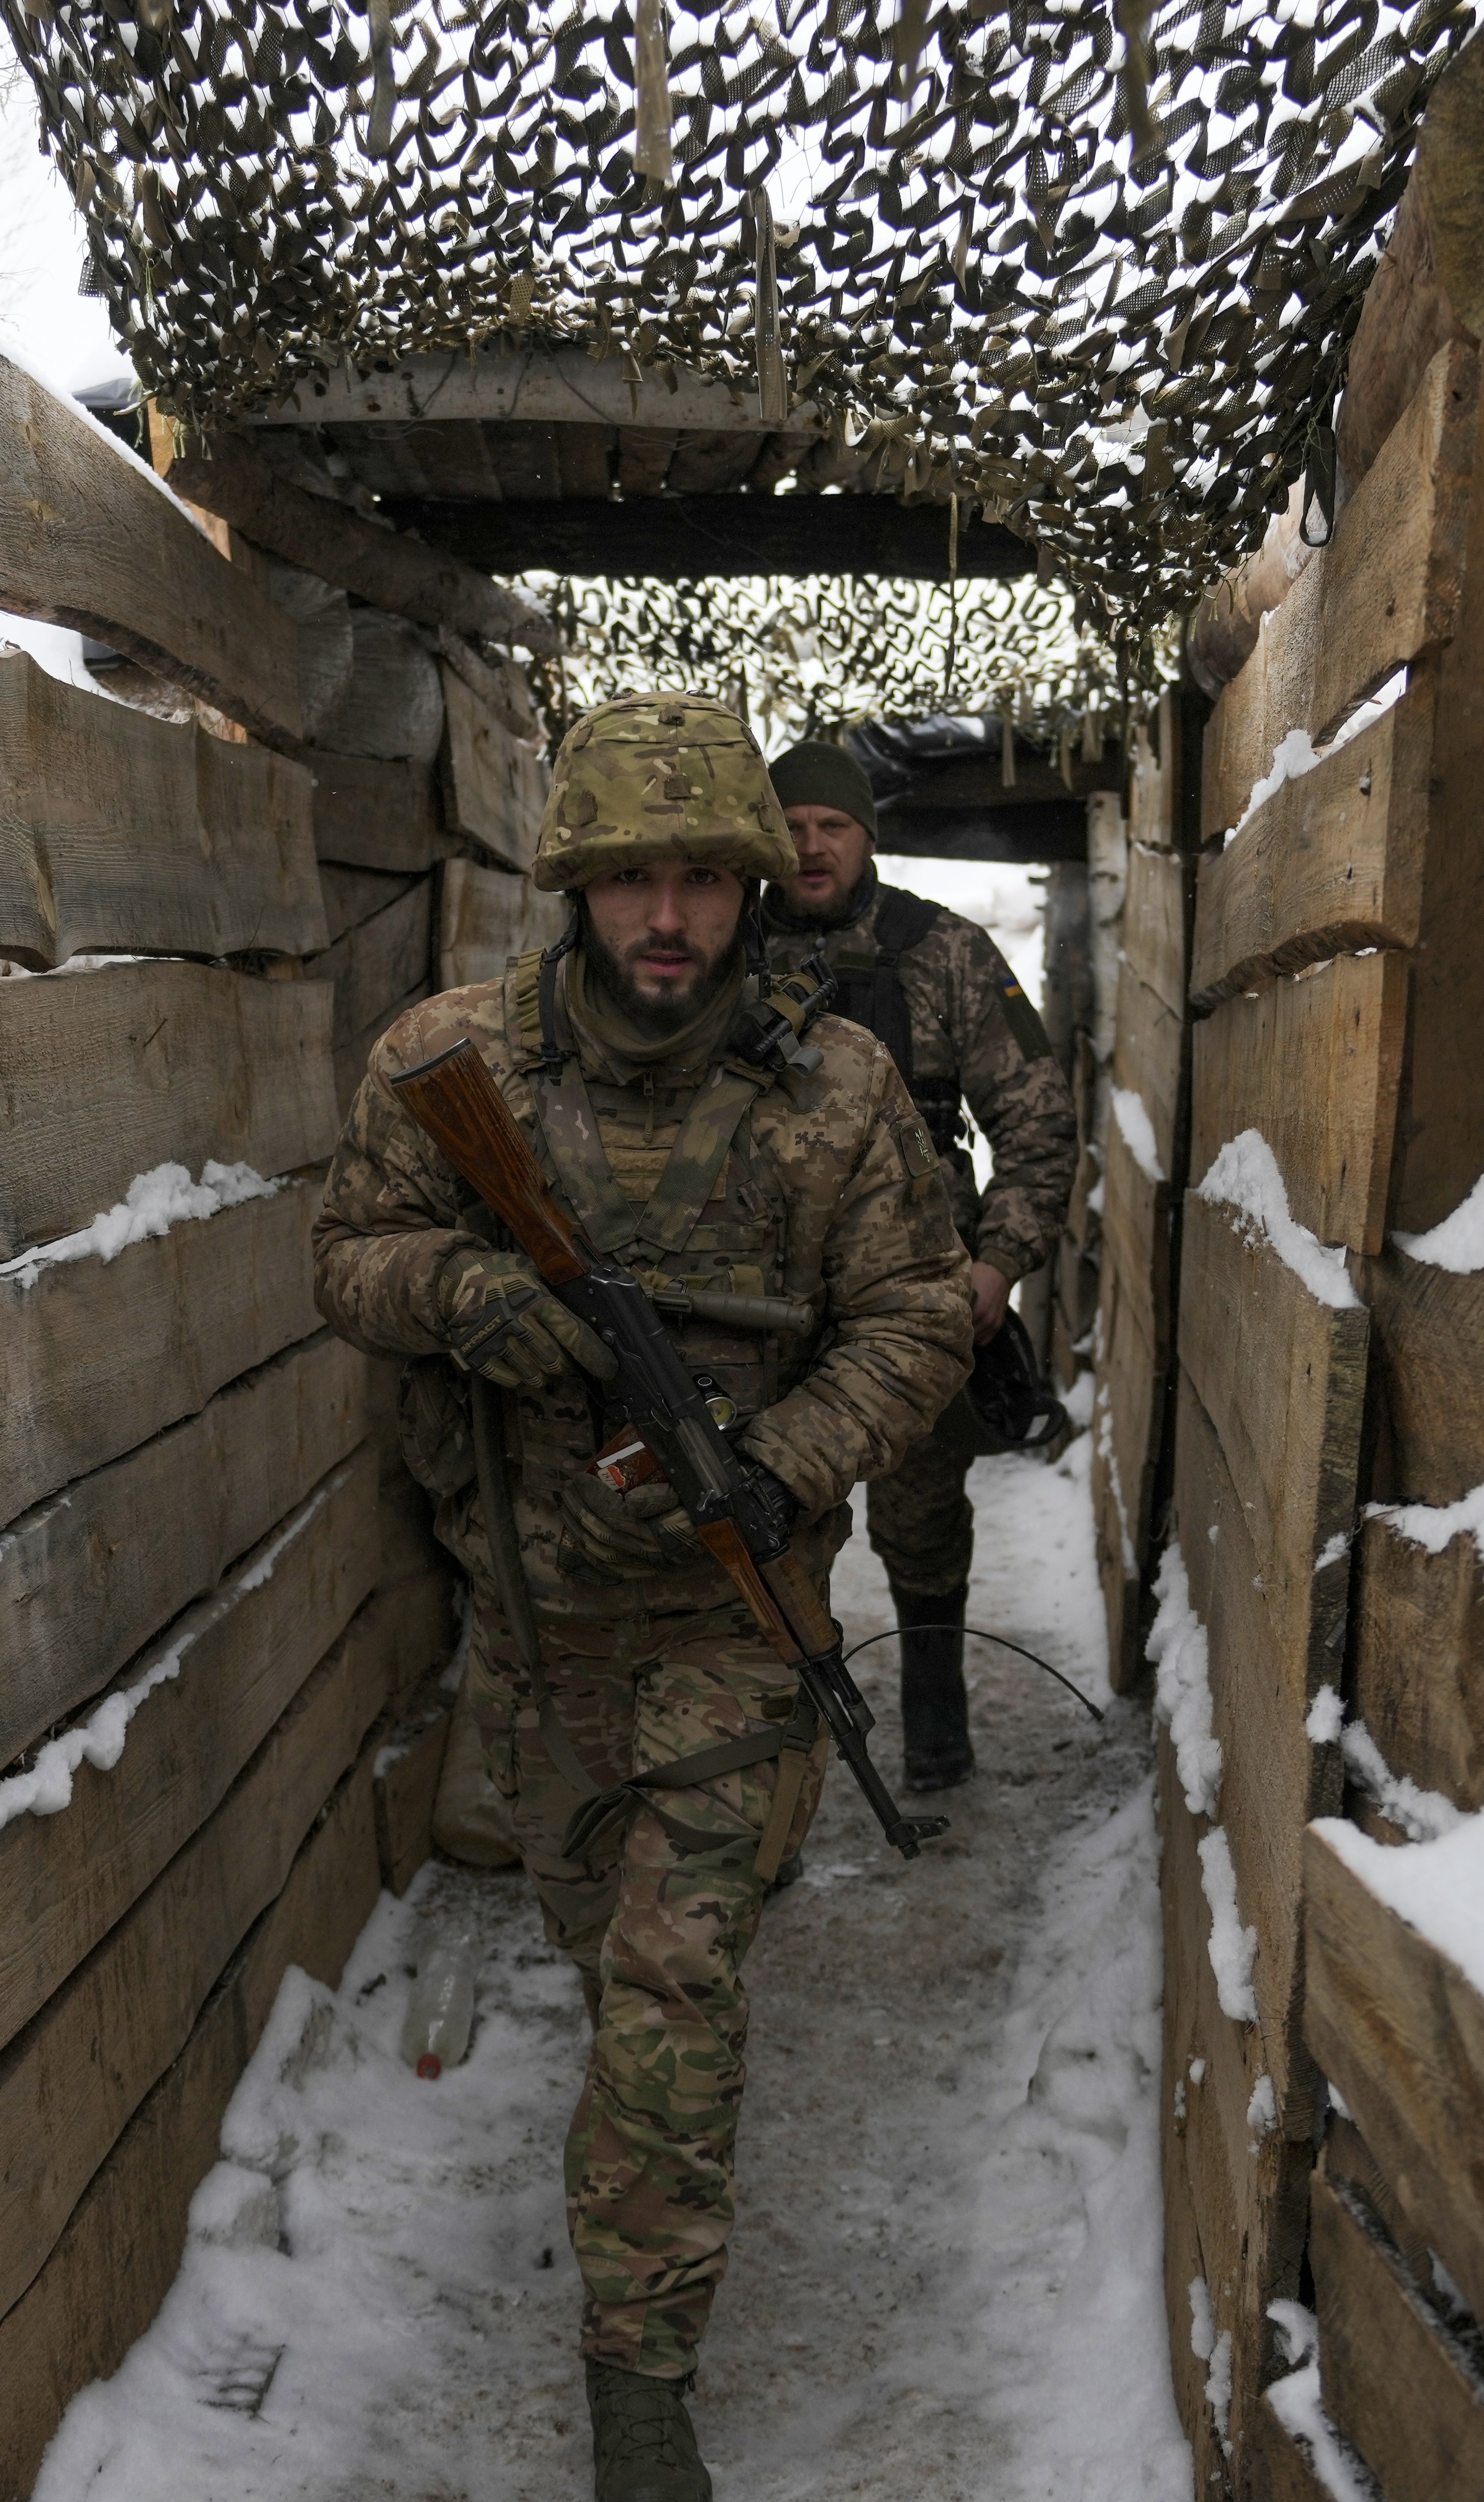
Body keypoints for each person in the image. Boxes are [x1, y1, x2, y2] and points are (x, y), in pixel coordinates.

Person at [311, 692, 973, 2502]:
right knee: (601, 1960)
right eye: (629, 882)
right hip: (532, 1630)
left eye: (702, 878)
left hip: (728, 1626)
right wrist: (473, 1300)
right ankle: (642, 2213)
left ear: (758, 888)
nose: (667, 918)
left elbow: (922, 1313)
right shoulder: (455, 1065)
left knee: (679, 1997)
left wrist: (778, 1463)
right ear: (574, 888)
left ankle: (639, 2394)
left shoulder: (831, 1095)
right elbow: (346, 1256)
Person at [760, 736, 1080, 1793]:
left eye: (832, 827)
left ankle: (935, 1727)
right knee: (764, 1528)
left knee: (923, 1524)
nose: (811, 847)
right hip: (754, 1305)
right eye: (792, 827)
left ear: (868, 836)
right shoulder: (720, 949)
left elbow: (1038, 1127)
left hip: (912, 1299)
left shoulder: (945, 953)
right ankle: (761, 1772)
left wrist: (997, 1268)